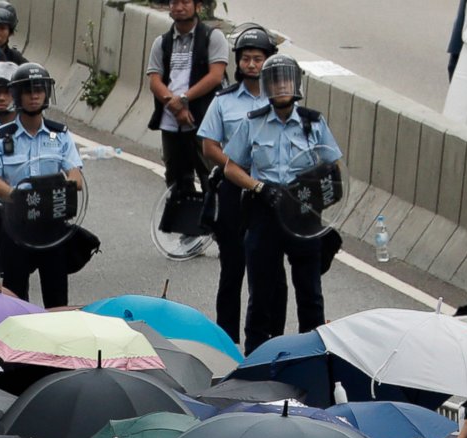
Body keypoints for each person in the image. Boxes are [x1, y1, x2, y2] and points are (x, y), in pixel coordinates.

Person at [219, 54, 340, 351]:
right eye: (275, 81)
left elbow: (334, 169)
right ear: (266, 86)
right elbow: (231, 167)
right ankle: (256, 360)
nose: (281, 86)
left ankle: (311, 356)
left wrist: (313, 192)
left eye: (286, 80)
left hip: (303, 213)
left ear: (296, 83)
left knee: (310, 294)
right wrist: (259, 187)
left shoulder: (314, 122)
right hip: (266, 211)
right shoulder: (255, 123)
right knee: (261, 294)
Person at [0, 64, 84, 308]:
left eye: (39, 89)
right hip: (15, 225)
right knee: (15, 296)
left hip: (52, 225)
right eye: (28, 91)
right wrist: (17, 196)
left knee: (57, 296)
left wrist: (51, 191)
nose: (34, 95)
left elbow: (76, 178)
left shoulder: (59, 135)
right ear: (18, 95)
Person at [196, 27, 273, 344]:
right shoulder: (223, 102)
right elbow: (209, 146)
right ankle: (225, 343)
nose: (252, 65)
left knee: (265, 273)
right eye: (246, 59)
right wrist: (234, 167)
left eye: (258, 59)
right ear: (237, 63)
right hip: (232, 191)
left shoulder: (279, 99)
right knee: (232, 271)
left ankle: (260, 342)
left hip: (268, 193)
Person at [144, 0, 225, 232]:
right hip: (171, 123)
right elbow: (155, 81)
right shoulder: (162, 43)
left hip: (203, 121)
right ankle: (188, 231)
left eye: (185, 2)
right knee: (177, 179)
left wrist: (184, 100)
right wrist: (174, 104)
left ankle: (220, 231)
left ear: (198, 6)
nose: (179, 7)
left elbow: (215, 76)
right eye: (174, 2)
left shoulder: (212, 38)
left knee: (211, 176)